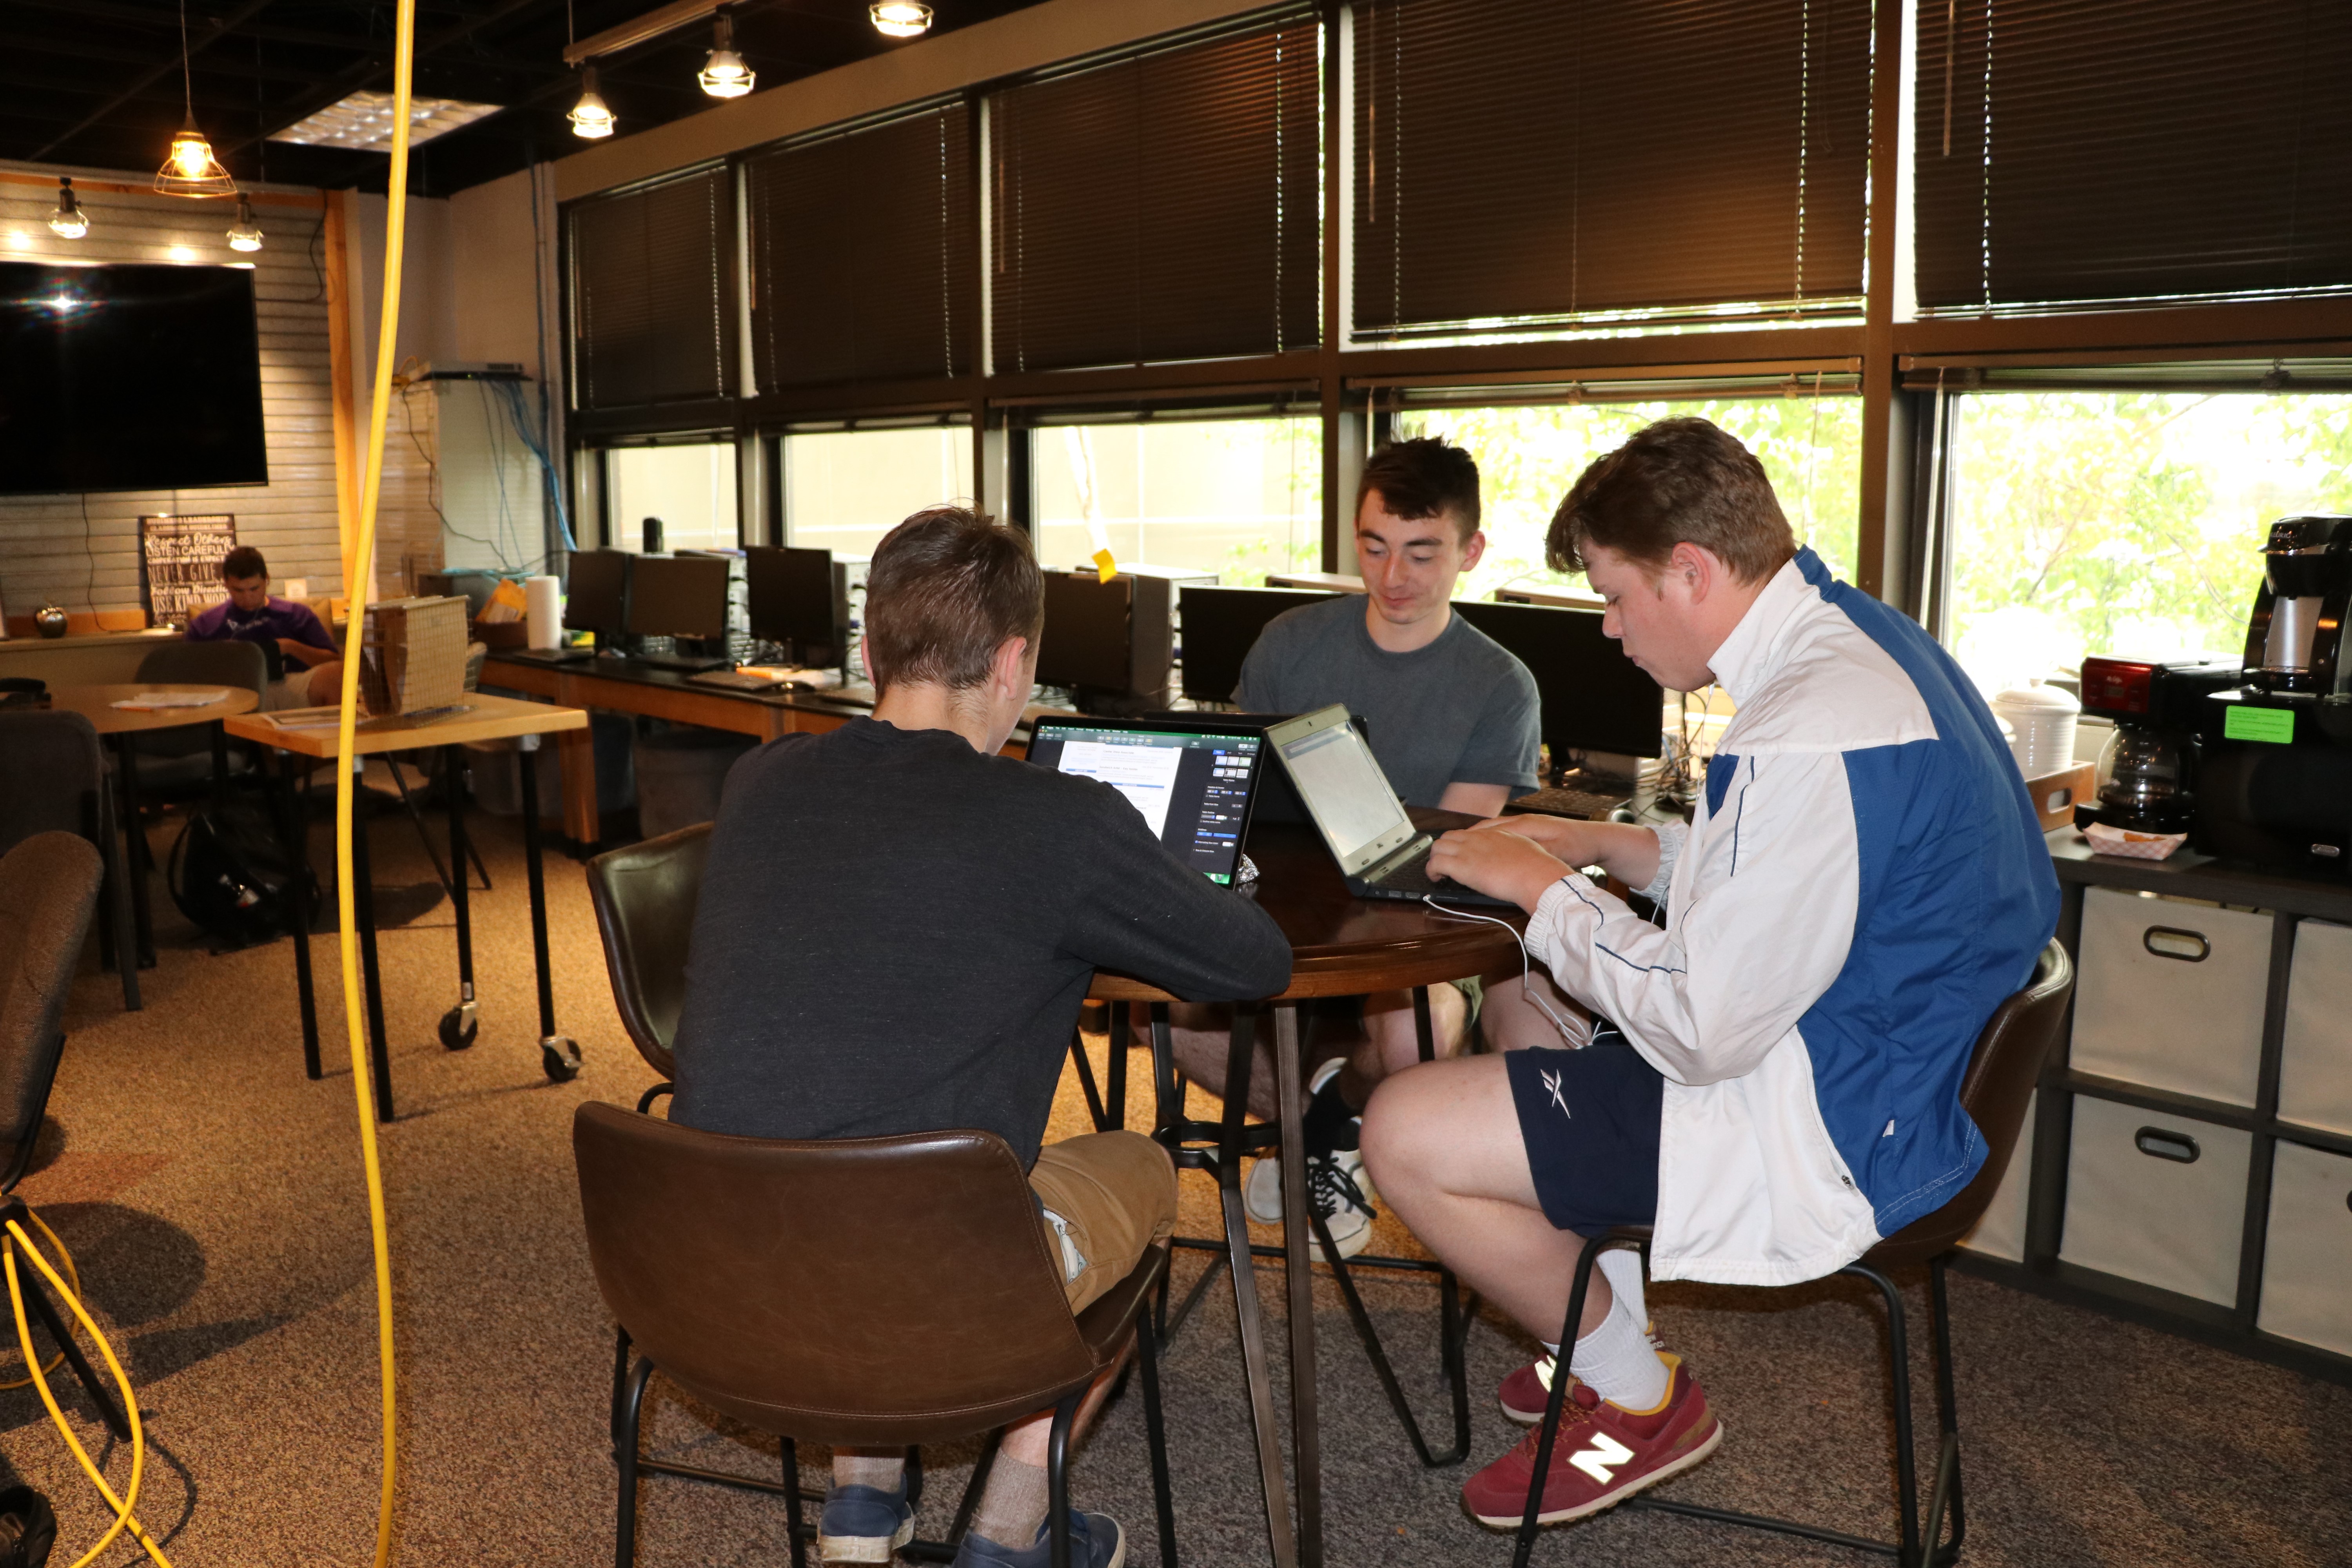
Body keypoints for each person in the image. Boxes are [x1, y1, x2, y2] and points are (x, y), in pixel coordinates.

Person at [1360, 417, 2058, 1532]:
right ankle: (1604, 1336)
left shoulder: (1805, 729)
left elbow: (1700, 1029)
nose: (1611, 624)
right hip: (1886, 1055)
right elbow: (1808, 877)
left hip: (1829, 1118)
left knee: (1401, 1128)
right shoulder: (1858, 643)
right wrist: (1622, 850)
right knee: (1531, 1010)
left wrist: (1546, 892)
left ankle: (1642, 1403)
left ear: (1689, 572)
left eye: (1616, 592)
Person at [669, 507, 1292, 1568]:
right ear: (1014, 662)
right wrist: (1194, 887)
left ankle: (863, 1504)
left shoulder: (761, 780)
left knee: (851, 1133)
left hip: (712, 1273)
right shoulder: (1063, 820)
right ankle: (1006, 1539)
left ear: (871, 652)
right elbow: (1257, 965)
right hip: (938, 1288)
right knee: (1141, 1167)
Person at [1161, 435, 1542, 1258]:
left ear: (1470, 552)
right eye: (1374, 547)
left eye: (1421, 552)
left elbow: (1448, 862)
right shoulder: (1291, 643)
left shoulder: (1501, 684)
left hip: (1408, 935)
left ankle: (1330, 1135)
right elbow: (1241, 803)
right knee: (1179, 1017)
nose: (1394, 576)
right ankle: (1323, 1135)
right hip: (1283, 920)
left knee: (1415, 1033)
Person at [183, 546, 341, 707]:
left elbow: (332, 661)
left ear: (267, 580)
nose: (248, 597)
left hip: (287, 685)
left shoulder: (296, 614)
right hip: (231, 693)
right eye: (238, 590)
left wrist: (290, 647)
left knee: (335, 674)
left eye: (254, 589)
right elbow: (186, 674)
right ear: (226, 583)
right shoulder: (206, 624)